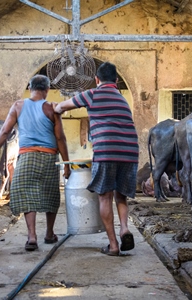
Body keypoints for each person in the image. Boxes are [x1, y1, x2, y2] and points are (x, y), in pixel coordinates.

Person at [53, 62, 139, 256]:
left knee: (104, 196)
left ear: (96, 80)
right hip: (130, 151)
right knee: (121, 195)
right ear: (116, 81)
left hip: (107, 151)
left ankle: (113, 245)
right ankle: (124, 228)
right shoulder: (122, 99)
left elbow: (63, 106)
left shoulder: (92, 94)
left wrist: (56, 109)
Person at [0, 74, 71, 251]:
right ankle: (49, 233)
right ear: (47, 90)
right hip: (49, 157)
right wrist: (67, 164)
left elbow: (4, 132)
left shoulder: (18, 106)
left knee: (26, 193)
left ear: (30, 88)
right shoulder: (51, 108)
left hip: (26, 156)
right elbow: (60, 138)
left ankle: (32, 236)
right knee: (50, 194)